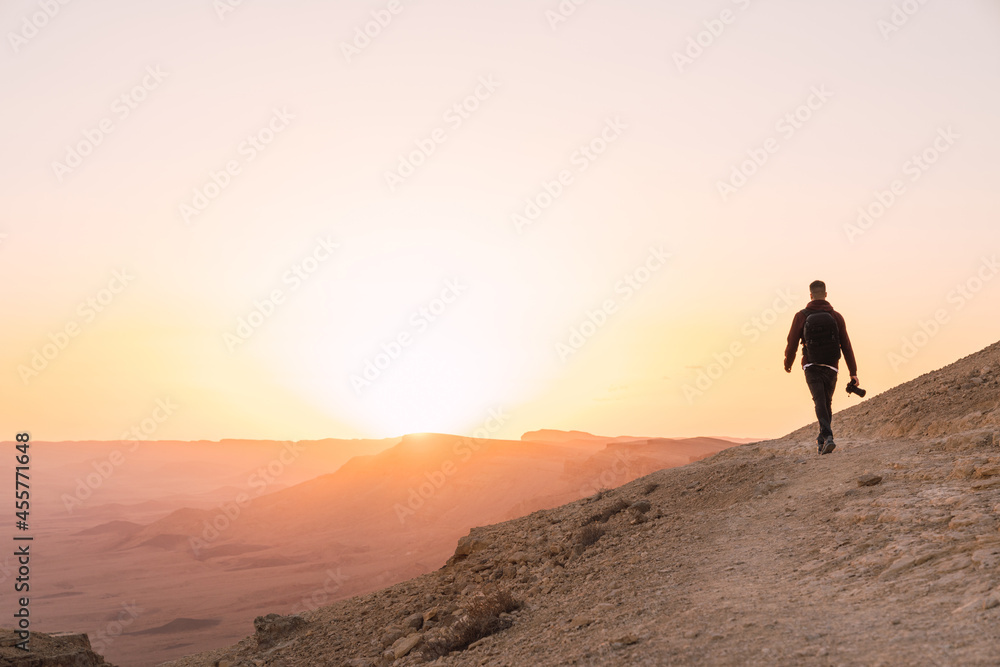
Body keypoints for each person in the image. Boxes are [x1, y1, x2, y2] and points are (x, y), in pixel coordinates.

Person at [784, 280, 858, 454]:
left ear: (810, 295)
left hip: (811, 365)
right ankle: (822, 439)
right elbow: (846, 345)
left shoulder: (801, 315)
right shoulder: (836, 316)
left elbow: (792, 342)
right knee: (826, 402)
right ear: (826, 294)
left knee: (819, 401)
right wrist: (853, 372)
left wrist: (788, 362)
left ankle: (827, 436)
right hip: (832, 366)